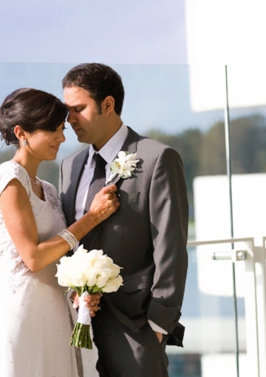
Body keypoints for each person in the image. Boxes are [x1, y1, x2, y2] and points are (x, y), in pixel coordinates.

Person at [59, 63, 189, 377]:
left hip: (136, 325)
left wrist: (159, 323)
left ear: (108, 104)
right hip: (77, 321)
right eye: (67, 110)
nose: (69, 119)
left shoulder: (157, 158)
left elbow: (170, 244)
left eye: (78, 108)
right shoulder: (69, 166)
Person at [0, 88, 119, 377]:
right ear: (21, 132)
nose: (62, 138)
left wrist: (78, 291)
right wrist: (92, 218)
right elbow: (32, 258)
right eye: (53, 130)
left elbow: (58, 254)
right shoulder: (8, 178)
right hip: (21, 311)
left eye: (62, 129)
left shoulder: (49, 190)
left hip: (56, 311)